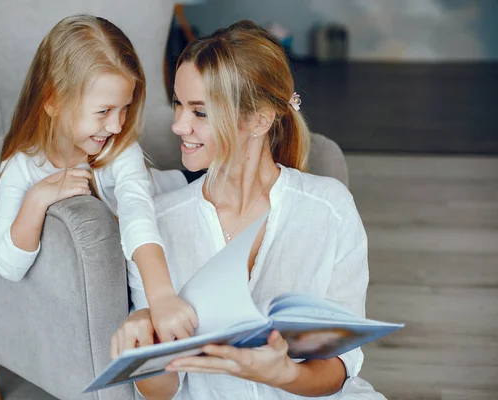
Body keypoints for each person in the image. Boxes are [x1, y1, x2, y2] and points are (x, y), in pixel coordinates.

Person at [111, 20, 386, 399]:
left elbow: (340, 366)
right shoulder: (157, 225)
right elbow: (161, 392)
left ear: (259, 120)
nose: (178, 125)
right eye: (178, 104)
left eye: (200, 112)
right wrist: (143, 356)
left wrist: (286, 374)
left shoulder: (329, 209)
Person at [0, 15, 197, 343]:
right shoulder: (22, 168)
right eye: (103, 112)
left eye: (124, 108)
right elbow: (7, 266)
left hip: (187, 191)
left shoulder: (119, 147)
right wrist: (36, 199)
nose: (116, 126)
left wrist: (160, 297)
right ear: (53, 101)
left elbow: (136, 212)